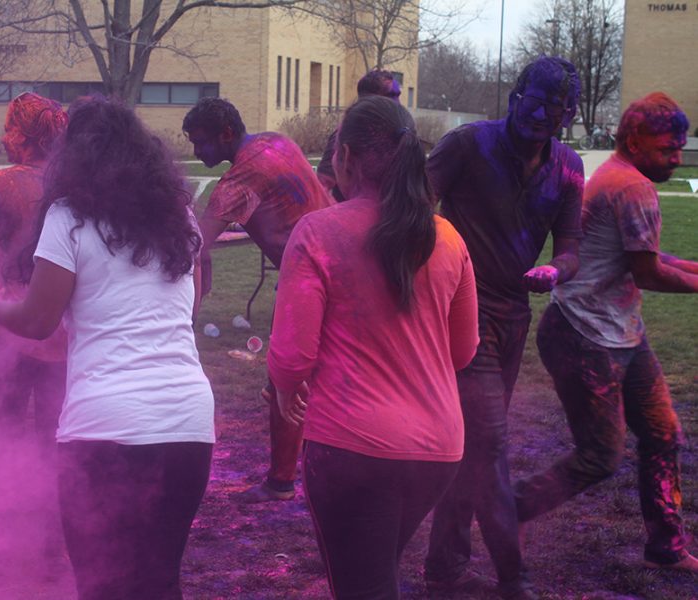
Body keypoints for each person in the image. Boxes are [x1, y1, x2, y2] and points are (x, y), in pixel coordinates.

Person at [0, 96, 215, 599]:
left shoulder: (69, 217)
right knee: (160, 580)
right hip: (187, 421)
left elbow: (38, 321)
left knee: (103, 584)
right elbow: (185, 309)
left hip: (105, 427)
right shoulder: (181, 218)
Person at [268, 96, 478, 599]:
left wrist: (285, 391)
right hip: (438, 450)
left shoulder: (318, 232)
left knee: (365, 586)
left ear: (345, 158)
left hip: (353, 449)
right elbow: (464, 349)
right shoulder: (448, 238)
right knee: (374, 572)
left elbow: (293, 355)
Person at [514, 93, 698, 572]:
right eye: (666, 150)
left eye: (680, 148)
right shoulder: (632, 188)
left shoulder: (619, 176)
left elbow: (646, 259)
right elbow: (648, 274)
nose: (677, 158)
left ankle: (666, 546)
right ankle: (505, 509)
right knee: (600, 456)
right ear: (634, 142)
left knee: (662, 433)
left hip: (621, 334)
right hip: (584, 338)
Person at [423, 56, 584, 600]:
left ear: (567, 114)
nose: (539, 114)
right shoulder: (469, 144)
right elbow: (414, 205)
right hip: (463, 313)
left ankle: (444, 566)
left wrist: (555, 270)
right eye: (532, 100)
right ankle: (514, 577)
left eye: (554, 107)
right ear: (515, 96)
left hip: (516, 314)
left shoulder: (568, 168)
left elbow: (571, 249)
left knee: (472, 445)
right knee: (489, 441)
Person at [182, 97, 332, 503]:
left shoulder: (240, 178)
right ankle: (317, 464)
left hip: (311, 280)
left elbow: (191, 244)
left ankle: (283, 481)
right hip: (341, 261)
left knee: (287, 374)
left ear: (226, 134)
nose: (197, 152)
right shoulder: (277, 142)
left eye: (201, 143)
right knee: (324, 374)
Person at [0, 92, 68, 448]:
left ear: (25, 136)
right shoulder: (71, 183)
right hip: (60, 321)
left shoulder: (1, 182)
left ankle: (6, 496)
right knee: (55, 425)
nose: (2, 137)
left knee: (5, 421)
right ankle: (53, 496)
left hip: (11, 320)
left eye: (9, 128)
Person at [316, 69, 403, 201]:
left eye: (398, 96)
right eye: (391, 96)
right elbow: (322, 187)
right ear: (370, 100)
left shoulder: (401, 134)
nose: (398, 103)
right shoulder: (343, 135)